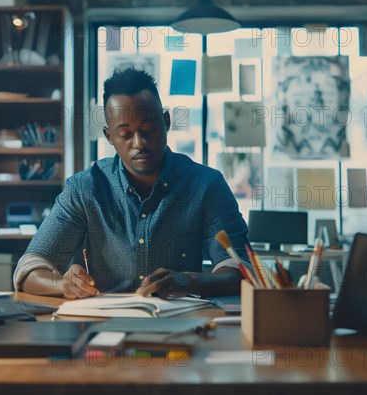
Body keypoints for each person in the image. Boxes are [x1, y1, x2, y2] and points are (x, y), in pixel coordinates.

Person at [13, 68, 249, 299]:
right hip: (102, 325)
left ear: (166, 122)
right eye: (125, 134)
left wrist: (190, 281)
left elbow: (241, 271)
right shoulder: (85, 188)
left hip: (179, 325)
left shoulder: (206, 185)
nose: (139, 143)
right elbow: (29, 269)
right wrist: (62, 284)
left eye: (149, 128)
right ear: (109, 137)